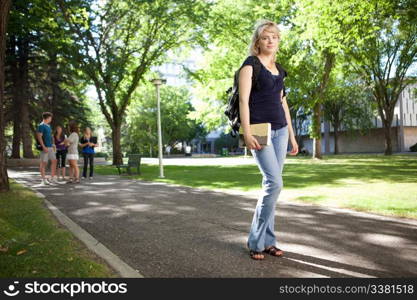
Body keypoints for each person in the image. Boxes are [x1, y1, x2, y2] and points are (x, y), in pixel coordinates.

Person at [239, 20, 298, 260]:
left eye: (274, 36)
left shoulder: (279, 70)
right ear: (257, 41)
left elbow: (283, 104)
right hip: (260, 130)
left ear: (278, 41)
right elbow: (243, 101)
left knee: (271, 188)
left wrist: (292, 136)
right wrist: (247, 132)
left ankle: (269, 241)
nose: (270, 40)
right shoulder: (249, 66)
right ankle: (255, 241)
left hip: (281, 131)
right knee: (274, 183)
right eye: (265, 37)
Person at [36, 112, 58, 186]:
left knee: (54, 161)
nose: (51, 119)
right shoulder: (41, 126)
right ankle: (43, 180)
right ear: (47, 118)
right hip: (45, 147)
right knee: (43, 163)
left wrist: (53, 144)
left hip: (50, 147)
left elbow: (50, 136)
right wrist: (43, 146)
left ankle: (52, 178)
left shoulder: (48, 126)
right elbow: (39, 137)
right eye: (50, 118)